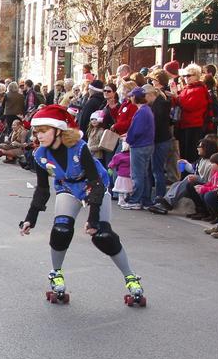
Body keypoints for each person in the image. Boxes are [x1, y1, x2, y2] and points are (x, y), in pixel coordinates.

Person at [19, 105, 146, 305]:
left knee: (103, 235)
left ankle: (131, 277)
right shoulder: (40, 155)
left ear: (58, 130)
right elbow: (42, 189)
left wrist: (93, 219)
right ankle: (56, 273)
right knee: (61, 229)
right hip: (68, 187)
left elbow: (95, 183)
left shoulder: (79, 147)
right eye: (37, 132)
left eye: (43, 131)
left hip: (92, 186)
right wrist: (30, 219)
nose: (39, 136)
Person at [119, 87, 155, 210]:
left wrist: (129, 139)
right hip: (146, 144)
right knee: (144, 174)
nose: (130, 98)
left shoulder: (142, 111)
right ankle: (145, 199)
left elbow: (137, 130)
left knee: (137, 174)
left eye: (131, 96)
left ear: (136, 97)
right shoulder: (146, 110)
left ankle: (135, 200)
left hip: (140, 145)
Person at [175, 64, 210, 161]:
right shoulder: (186, 88)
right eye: (185, 76)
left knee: (191, 154)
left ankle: (189, 174)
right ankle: (182, 174)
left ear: (197, 76)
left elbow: (190, 106)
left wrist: (176, 97)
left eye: (189, 75)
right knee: (183, 153)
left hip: (194, 126)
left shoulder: (199, 89)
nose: (186, 78)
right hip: (184, 125)